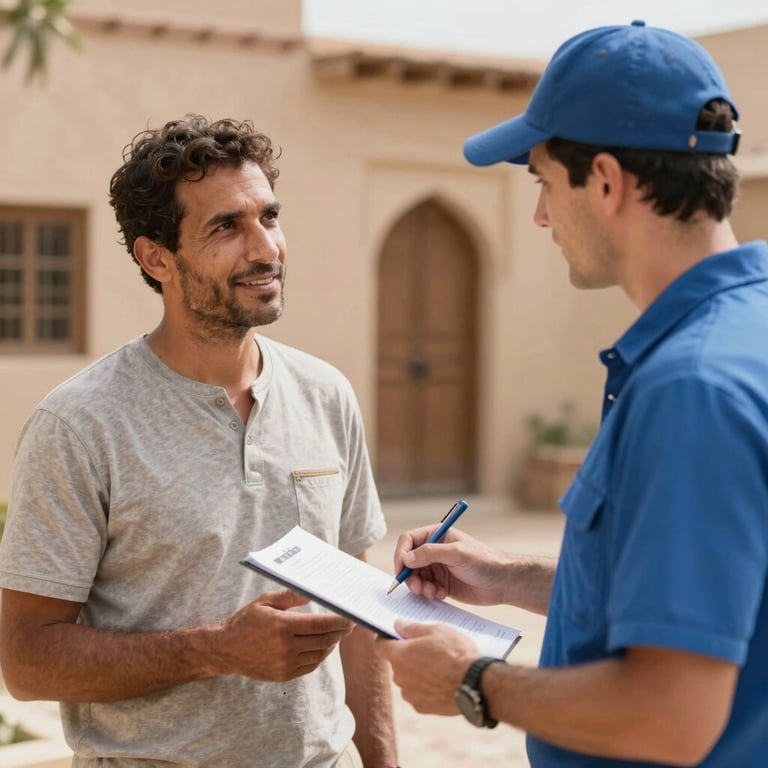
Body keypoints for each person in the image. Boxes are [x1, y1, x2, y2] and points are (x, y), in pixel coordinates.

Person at [375, 20, 768, 768]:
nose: (542, 217)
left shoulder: (692, 388)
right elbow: (710, 600)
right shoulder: (746, 334)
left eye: (546, 183)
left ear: (609, 182)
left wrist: (472, 681)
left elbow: (668, 717)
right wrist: (508, 578)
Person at [0, 115, 399, 768]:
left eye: (269, 217)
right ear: (156, 258)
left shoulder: (327, 395)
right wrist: (216, 649)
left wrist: (382, 760)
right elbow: (27, 661)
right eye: (227, 228)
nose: (265, 248)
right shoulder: (80, 424)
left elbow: (353, 609)